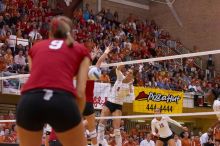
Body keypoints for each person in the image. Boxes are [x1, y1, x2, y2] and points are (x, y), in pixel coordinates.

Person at [16, 16, 91, 146]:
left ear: (50, 32)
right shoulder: (81, 50)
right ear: (71, 32)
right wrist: (73, 119)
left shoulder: (35, 48)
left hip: (29, 102)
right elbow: (80, 92)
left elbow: (37, 79)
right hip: (62, 101)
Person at [83, 42, 112, 146]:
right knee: (92, 127)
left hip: (78, 101)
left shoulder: (80, 72)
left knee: (80, 124)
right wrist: (106, 51)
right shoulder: (92, 72)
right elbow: (99, 61)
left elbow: (89, 61)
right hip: (88, 102)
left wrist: (94, 53)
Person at [97, 65, 134, 146]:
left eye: (130, 73)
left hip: (118, 106)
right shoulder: (121, 77)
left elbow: (131, 99)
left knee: (116, 129)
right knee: (101, 122)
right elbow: (117, 69)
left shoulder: (131, 86)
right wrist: (120, 65)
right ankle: (99, 142)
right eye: (128, 71)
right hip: (110, 102)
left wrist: (130, 86)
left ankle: (119, 144)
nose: (128, 73)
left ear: (132, 76)